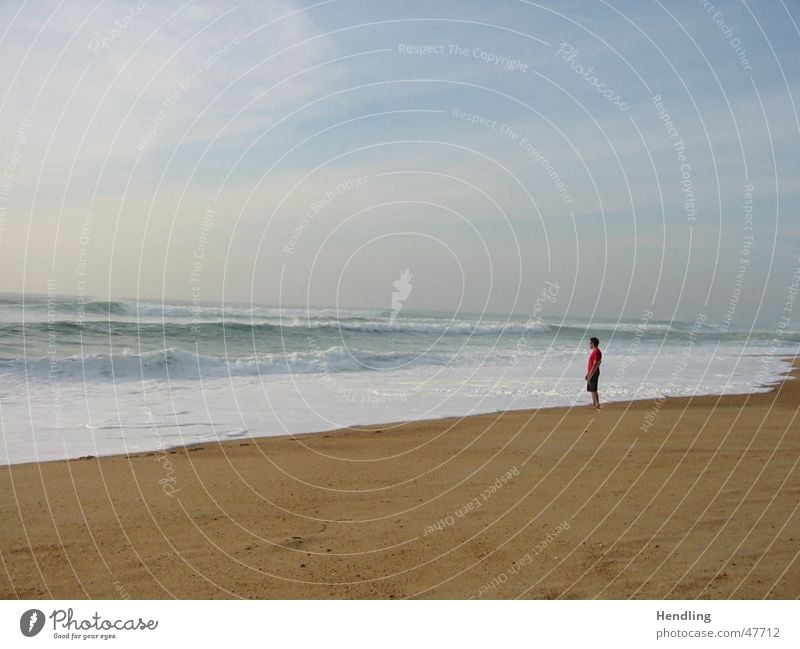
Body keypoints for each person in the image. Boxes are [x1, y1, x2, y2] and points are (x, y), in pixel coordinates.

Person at [585, 337, 602, 409]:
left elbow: (595, 363)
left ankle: (597, 404)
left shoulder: (596, 351)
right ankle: (594, 403)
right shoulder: (595, 351)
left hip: (594, 373)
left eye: (590, 343)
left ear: (593, 343)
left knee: (594, 389)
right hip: (592, 372)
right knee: (591, 389)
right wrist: (588, 373)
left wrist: (591, 374)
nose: (589, 344)